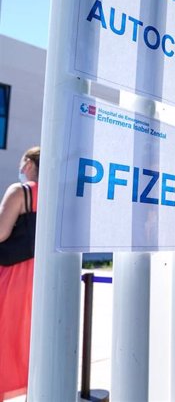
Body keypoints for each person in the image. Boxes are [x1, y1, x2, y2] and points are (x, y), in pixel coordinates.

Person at [0, 146, 40, 400]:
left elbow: (1, 233)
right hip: (39, 278)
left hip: (12, 275)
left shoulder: (20, 191)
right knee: (26, 339)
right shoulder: (58, 194)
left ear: (28, 164)